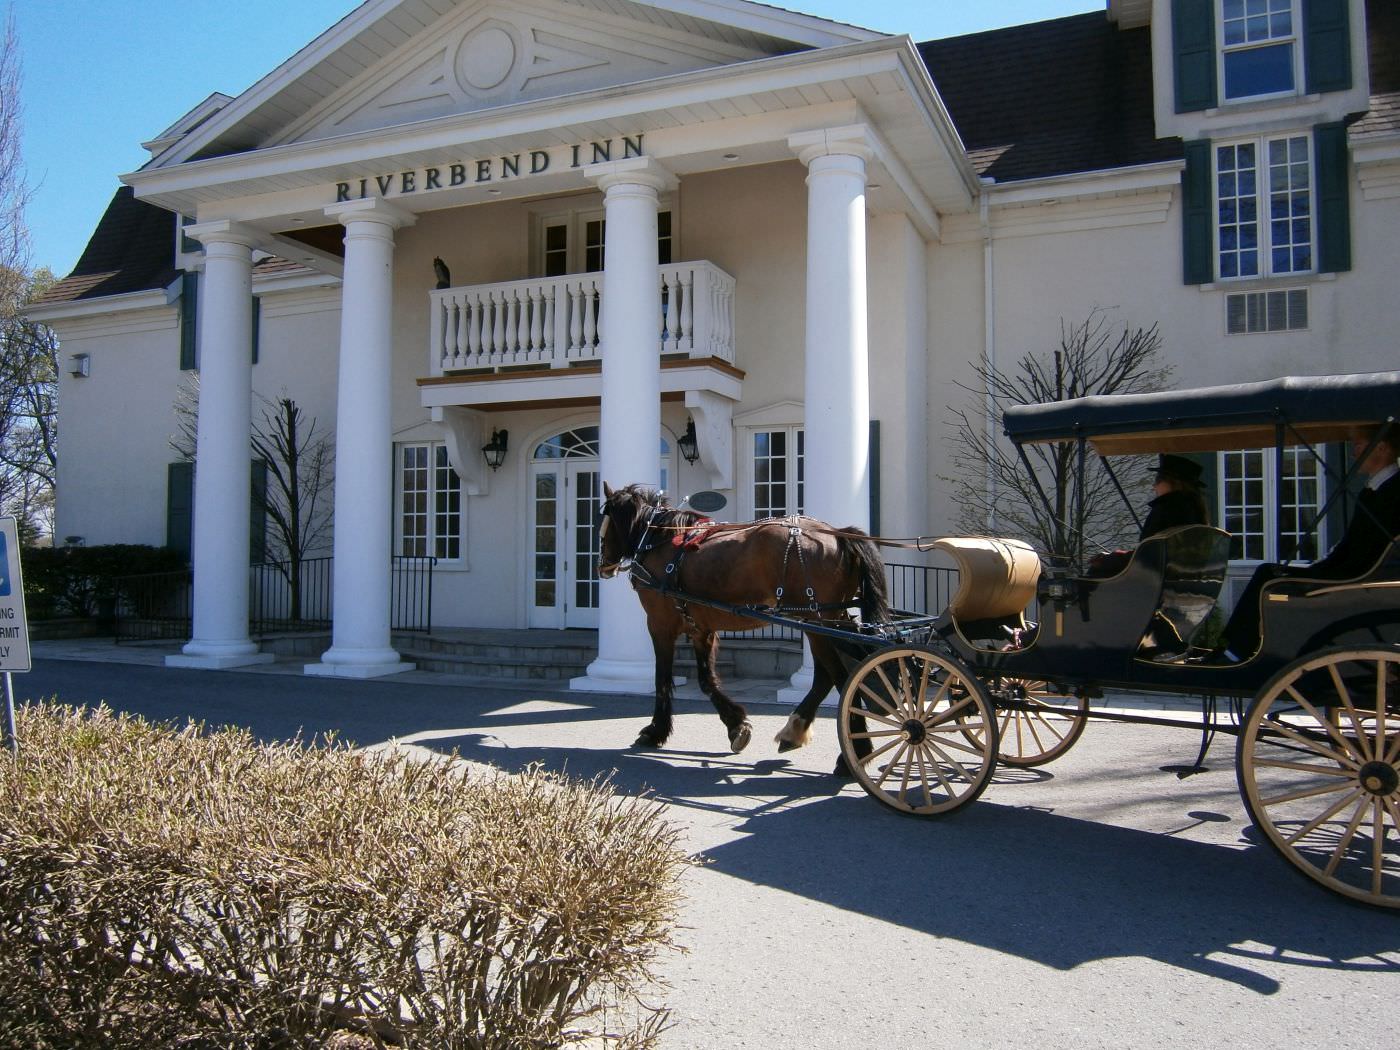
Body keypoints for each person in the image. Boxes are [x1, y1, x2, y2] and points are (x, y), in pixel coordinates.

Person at [1220, 422, 1400, 660]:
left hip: (1355, 577)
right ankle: (1236, 647)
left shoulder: (1390, 492)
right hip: (1355, 572)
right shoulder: (1377, 489)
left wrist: (1320, 570)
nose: (1354, 452)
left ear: (1382, 449)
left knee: (1268, 576)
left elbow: (1363, 550)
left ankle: (1236, 651)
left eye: (1359, 445)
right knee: (1269, 573)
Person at [1087, 454, 1209, 576]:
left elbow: (1146, 558)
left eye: (1158, 479)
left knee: (1096, 570)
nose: (1154, 486)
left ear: (1174, 483)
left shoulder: (1166, 508)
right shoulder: (1196, 511)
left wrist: (1109, 559)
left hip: (1154, 581)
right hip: (1182, 580)